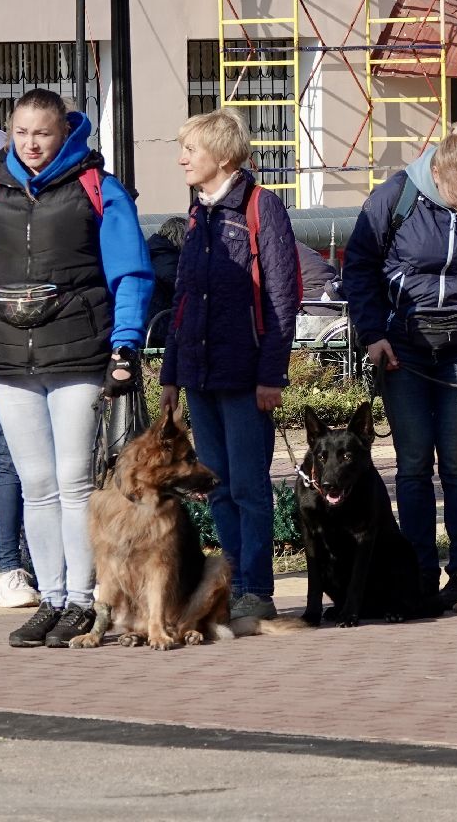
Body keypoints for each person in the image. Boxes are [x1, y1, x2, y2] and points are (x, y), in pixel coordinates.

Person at [0, 88, 153, 647]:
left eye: (43, 133)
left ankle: (84, 601)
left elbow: (130, 274)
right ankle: (53, 599)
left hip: (79, 354)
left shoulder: (98, 190)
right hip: (10, 358)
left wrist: (126, 347)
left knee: (73, 482)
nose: (31, 144)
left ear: (65, 132)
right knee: (35, 485)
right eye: (21, 133)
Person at [341, 123, 457, 605]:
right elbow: (358, 267)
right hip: (402, 346)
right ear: (437, 173)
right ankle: (419, 570)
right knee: (414, 462)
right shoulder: (394, 198)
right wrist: (374, 334)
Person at [159, 109, 299, 622]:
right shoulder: (198, 215)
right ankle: (231, 583)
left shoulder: (263, 208)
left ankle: (255, 589)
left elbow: (283, 297)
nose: (182, 159)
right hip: (199, 376)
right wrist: (171, 374)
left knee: (249, 487)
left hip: (245, 377)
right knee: (214, 486)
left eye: (190, 150)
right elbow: (181, 301)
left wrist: (271, 375)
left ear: (222, 156)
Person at [0, 369, 40, 608]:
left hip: (63, 355)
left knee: (63, 462)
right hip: (6, 359)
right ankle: (8, 571)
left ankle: (57, 571)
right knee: (9, 457)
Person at [143, 216, 186, 347]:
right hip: (160, 325)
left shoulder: (151, 250)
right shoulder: (168, 258)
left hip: (147, 320)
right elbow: (182, 288)